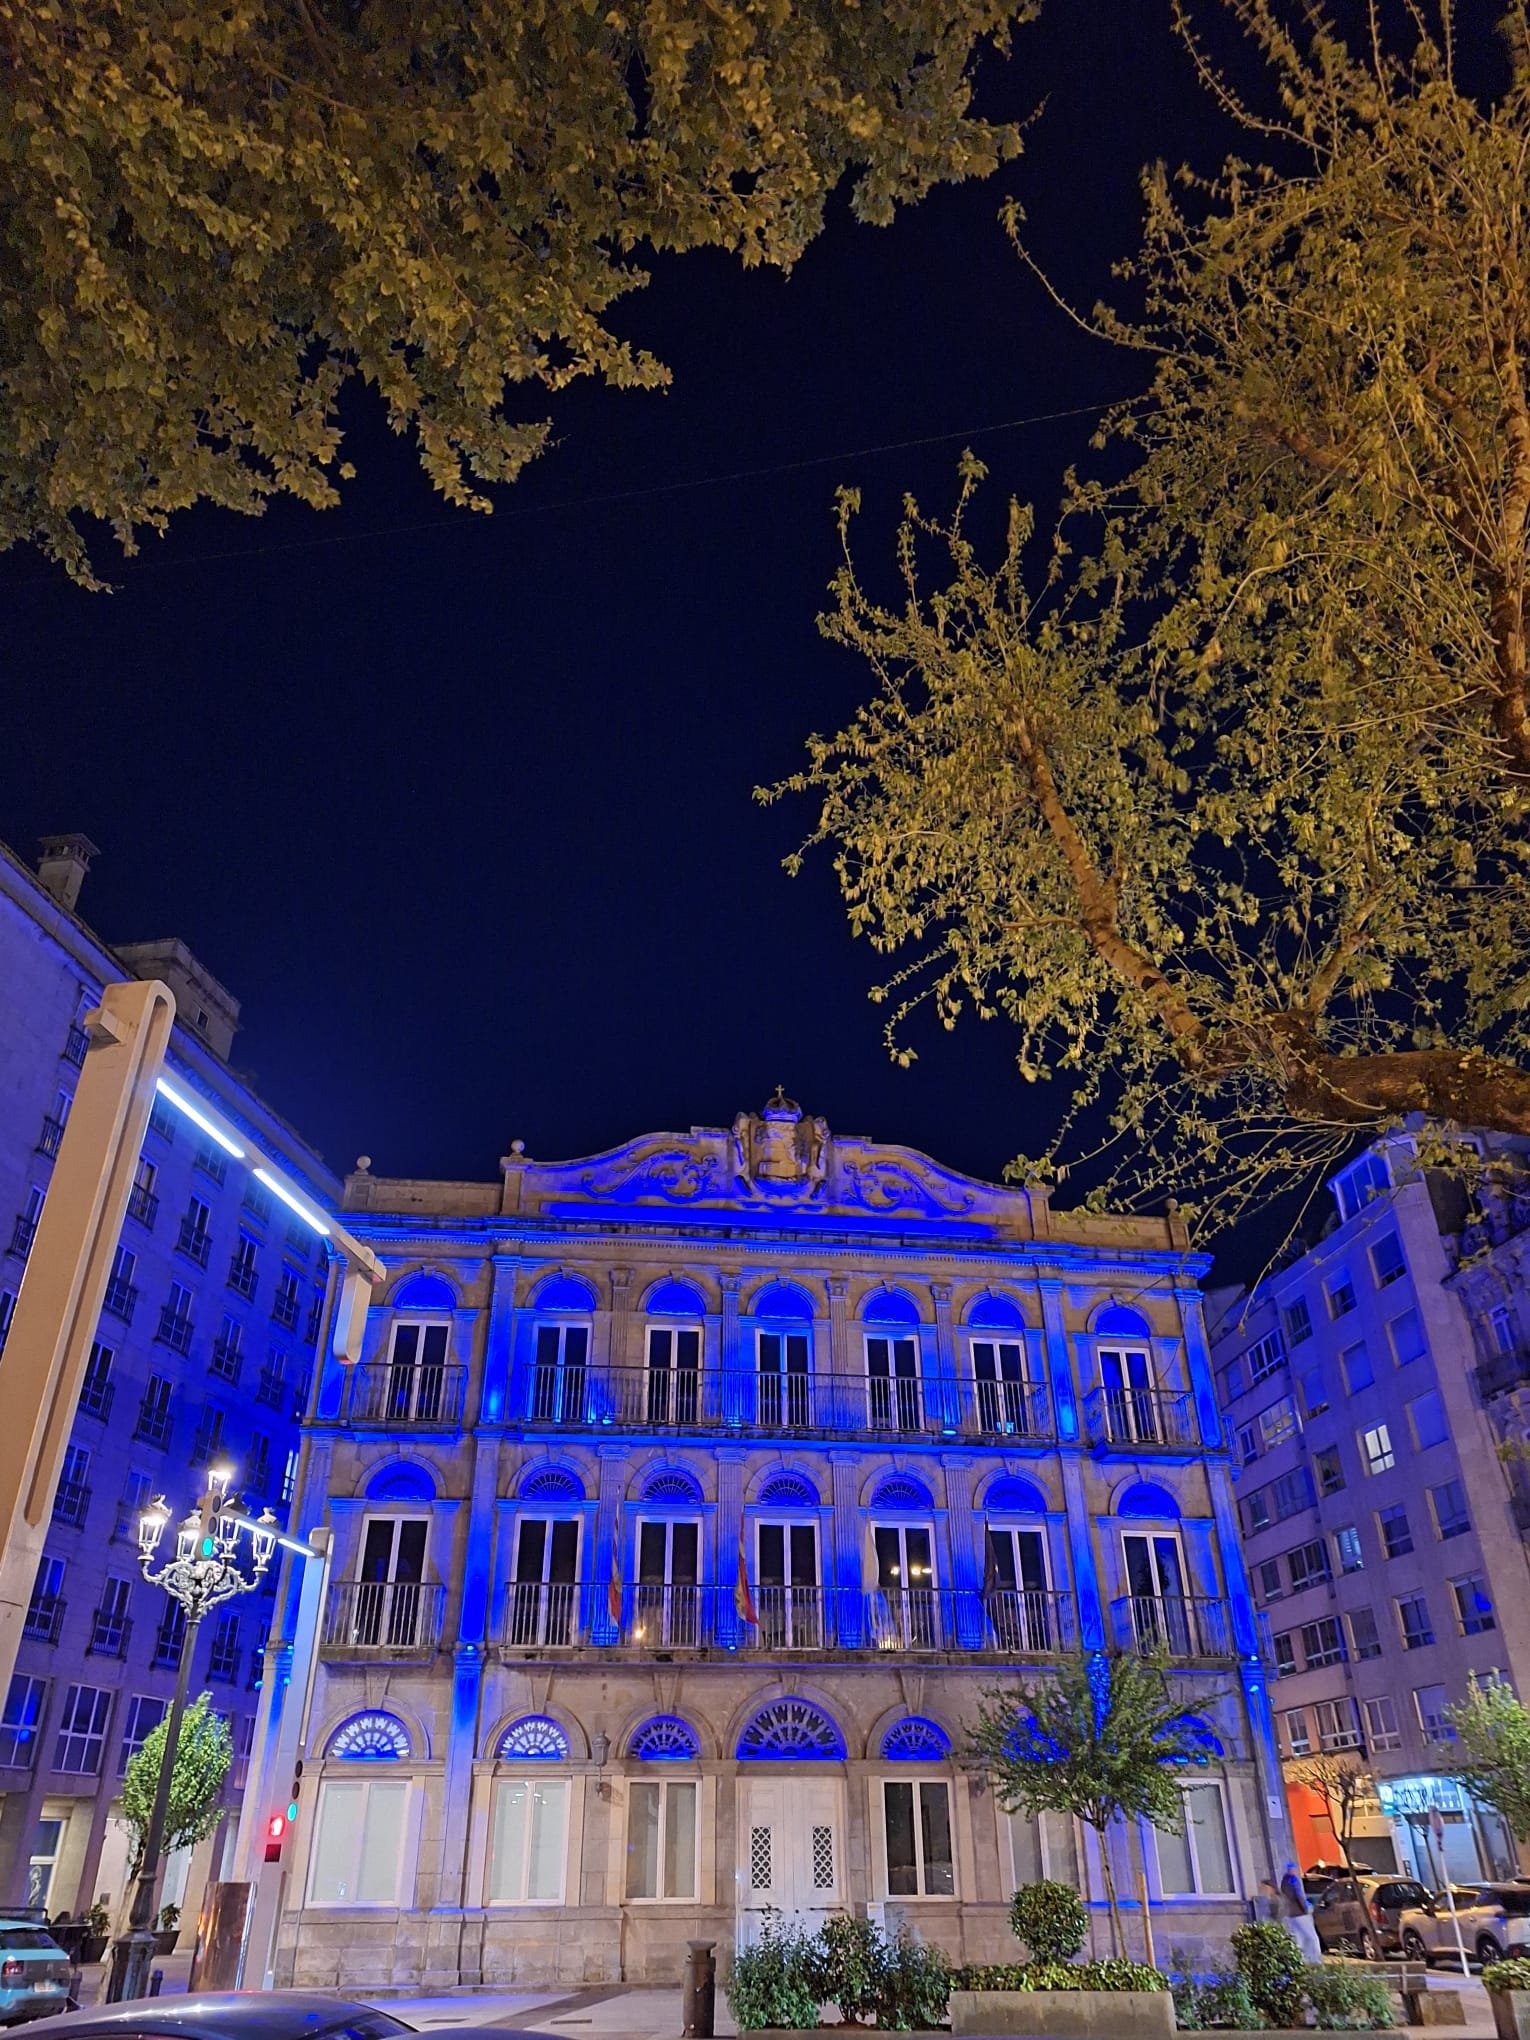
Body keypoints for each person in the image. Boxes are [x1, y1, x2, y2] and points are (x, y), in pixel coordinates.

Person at [1280, 1863, 1323, 1960]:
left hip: (1290, 1914)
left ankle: (1301, 1958)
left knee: (1298, 1937)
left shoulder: (1284, 1881)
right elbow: (1299, 1895)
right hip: (1300, 1913)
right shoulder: (1293, 1880)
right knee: (1311, 1936)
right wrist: (1305, 1908)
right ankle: (1315, 1958)